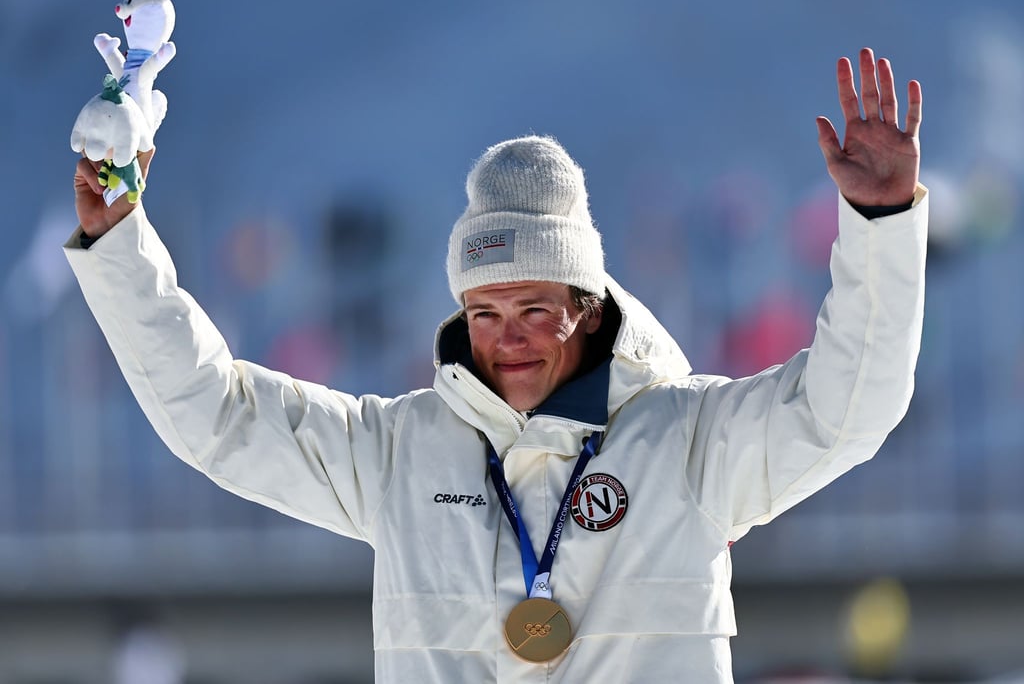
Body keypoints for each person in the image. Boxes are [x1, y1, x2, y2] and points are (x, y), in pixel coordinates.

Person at [66, 48, 927, 683]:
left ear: (587, 310)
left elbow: (846, 408)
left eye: (534, 312)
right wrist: (116, 246)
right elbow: (217, 416)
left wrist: (881, 224)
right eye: (485, 312)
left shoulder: (688, 444)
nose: (506, 338)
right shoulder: (399, 454)